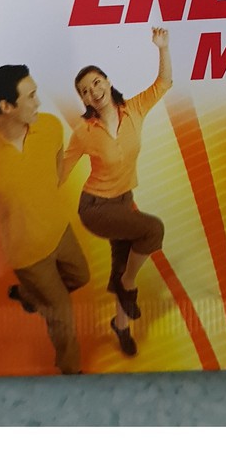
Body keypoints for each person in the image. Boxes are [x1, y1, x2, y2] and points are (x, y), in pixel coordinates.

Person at [0, 64, 90, 374]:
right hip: (27, 254)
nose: (39, 102)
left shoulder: (50, 126)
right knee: (61, 312)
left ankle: (28, 296)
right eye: (31, 96)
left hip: (60, 230)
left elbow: (56, 165)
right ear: (6, 106)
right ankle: (72, 371)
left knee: (81, 277)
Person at [62, 27, 172, 357]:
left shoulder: (134, 109)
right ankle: (127, 284)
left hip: (123, 201)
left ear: (108, 83)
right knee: (153, 229)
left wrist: (162, 48)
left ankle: (121, 326)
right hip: (96, 207)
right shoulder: (84, 132)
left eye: (97, 83)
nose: (93, 91)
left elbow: (164, 83)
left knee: (122, 260)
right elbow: (62, 169)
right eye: (85, 91)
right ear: (83, 100)